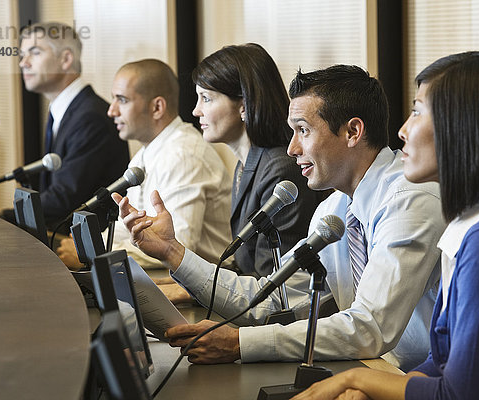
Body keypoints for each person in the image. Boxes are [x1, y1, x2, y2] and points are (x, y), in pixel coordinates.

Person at [113, 64, 446, 371]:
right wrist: (173, 252)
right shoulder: (333, 211)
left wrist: (240, 343)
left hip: (418, 379)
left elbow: (370, 327)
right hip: (366, 369)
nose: (292, 149)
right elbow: (267, 300)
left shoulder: (409, 198)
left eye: (303, 131)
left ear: (352, 132)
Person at [293, 51, 479, 399]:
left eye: (417, 111)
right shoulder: (473, 226)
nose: (402, 130)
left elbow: (456, 394)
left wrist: (355, 380)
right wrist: (377, 388)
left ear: (465, 126)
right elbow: (441, 363)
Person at [57, 59, 233, 270]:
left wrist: (94, 255)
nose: (111, 111)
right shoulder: (145, 153)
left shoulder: (183, 155)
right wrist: (88, 247)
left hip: (201, 292)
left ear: (157, 107)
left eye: (121, 100)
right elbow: (126, 226)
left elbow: (178, 248)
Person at [190, 43, 329, 277]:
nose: (196, 111)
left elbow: (271, 278)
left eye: (206, 98)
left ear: (243, 105)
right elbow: (247, 264)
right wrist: (187, 286)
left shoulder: (281, 170)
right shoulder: (247, 163)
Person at [15, 22, 129, 231]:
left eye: (35, 53)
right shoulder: (65, 109)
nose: (23, 63)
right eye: (22, 55)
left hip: (88, 247)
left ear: (66, 59)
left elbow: (63, 199)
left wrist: (5, 215)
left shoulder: (90, 117)